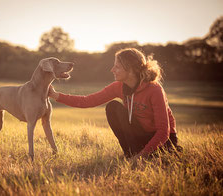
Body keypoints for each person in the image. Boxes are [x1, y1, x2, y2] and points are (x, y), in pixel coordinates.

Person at [48, 48, 182, 160]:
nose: (112, 70)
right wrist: (56, 96)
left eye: (117, 66)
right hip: (142, 135)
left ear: (130, 69)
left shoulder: (154, 90)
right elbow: (87, 101)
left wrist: (143, 155)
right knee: (113, 108)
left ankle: (141, 156)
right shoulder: (118, 87)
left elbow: (164, 131)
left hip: (164, 141)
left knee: (160, 156)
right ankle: (131, 154)